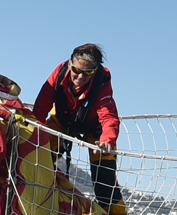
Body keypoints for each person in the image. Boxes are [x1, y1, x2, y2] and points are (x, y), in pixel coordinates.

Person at [34, 43, 122, 205]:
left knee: (105, 171)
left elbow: (108, 116)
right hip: (61, 122)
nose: (80, 77)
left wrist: (108, 140)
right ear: (70, 64)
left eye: (87, 73)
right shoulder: (58, 75)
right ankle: (38, 203)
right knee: (36, 156)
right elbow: (41, 106)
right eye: (76, 71)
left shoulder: (102, 83)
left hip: (94, 128)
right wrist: (34, 133)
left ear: (94, 72)